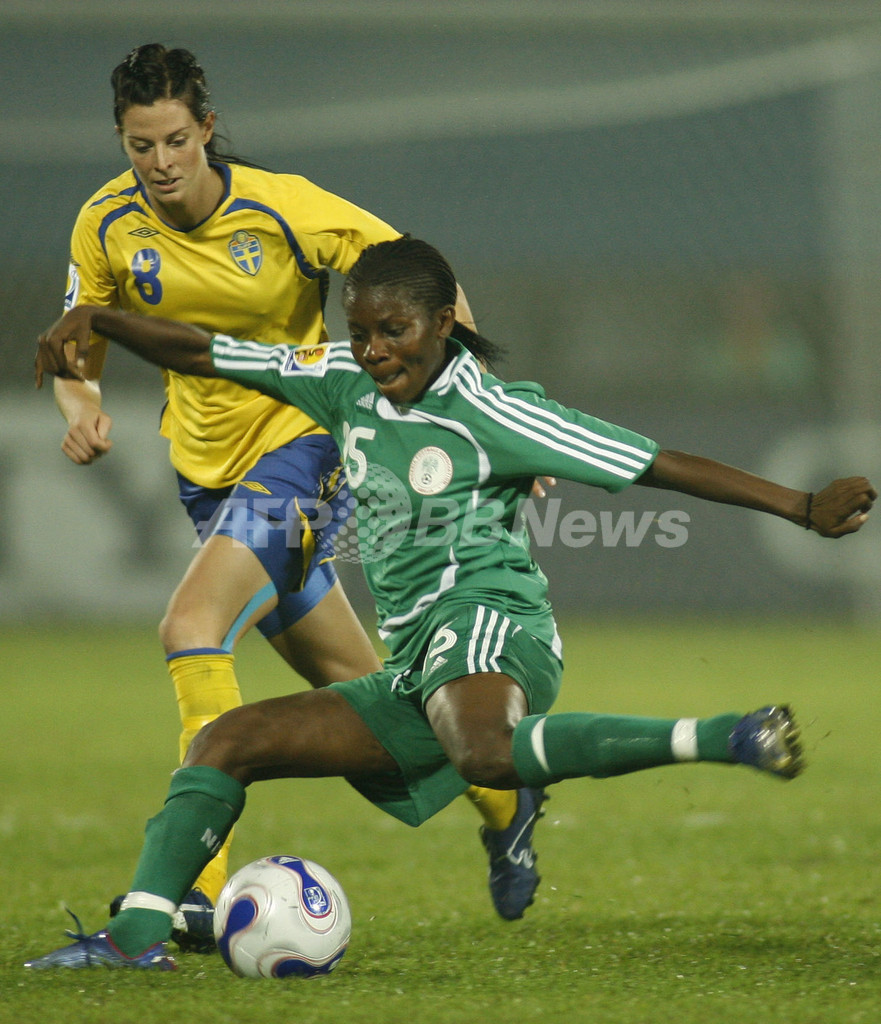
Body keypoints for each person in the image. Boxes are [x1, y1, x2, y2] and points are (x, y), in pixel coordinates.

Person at [27, 236, 876, 970]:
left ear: (442, 324)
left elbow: (656, 462)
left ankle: (727, 735)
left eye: (393, 332)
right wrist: (100, 322)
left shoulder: (489, 412)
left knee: (480, 750)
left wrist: (799, 506)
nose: (374, 352)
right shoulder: (340, 381)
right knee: (226, 741)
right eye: (359, 332)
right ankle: (134, 936)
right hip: (416, 665)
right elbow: (207, 351)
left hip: (496, 624)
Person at [52, 43, 538, 934]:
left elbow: (424, 283)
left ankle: (189, 895)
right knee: (369, 701)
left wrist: (488, 411)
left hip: (305, 448)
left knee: (190, 627)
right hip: (206, 479)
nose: (158, 164)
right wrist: (78, 403)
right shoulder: (105, 223)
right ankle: (507, 802)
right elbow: (76, 343)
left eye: (173, 141)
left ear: (206, 130)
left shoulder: (283, 208)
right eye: (138, 146)